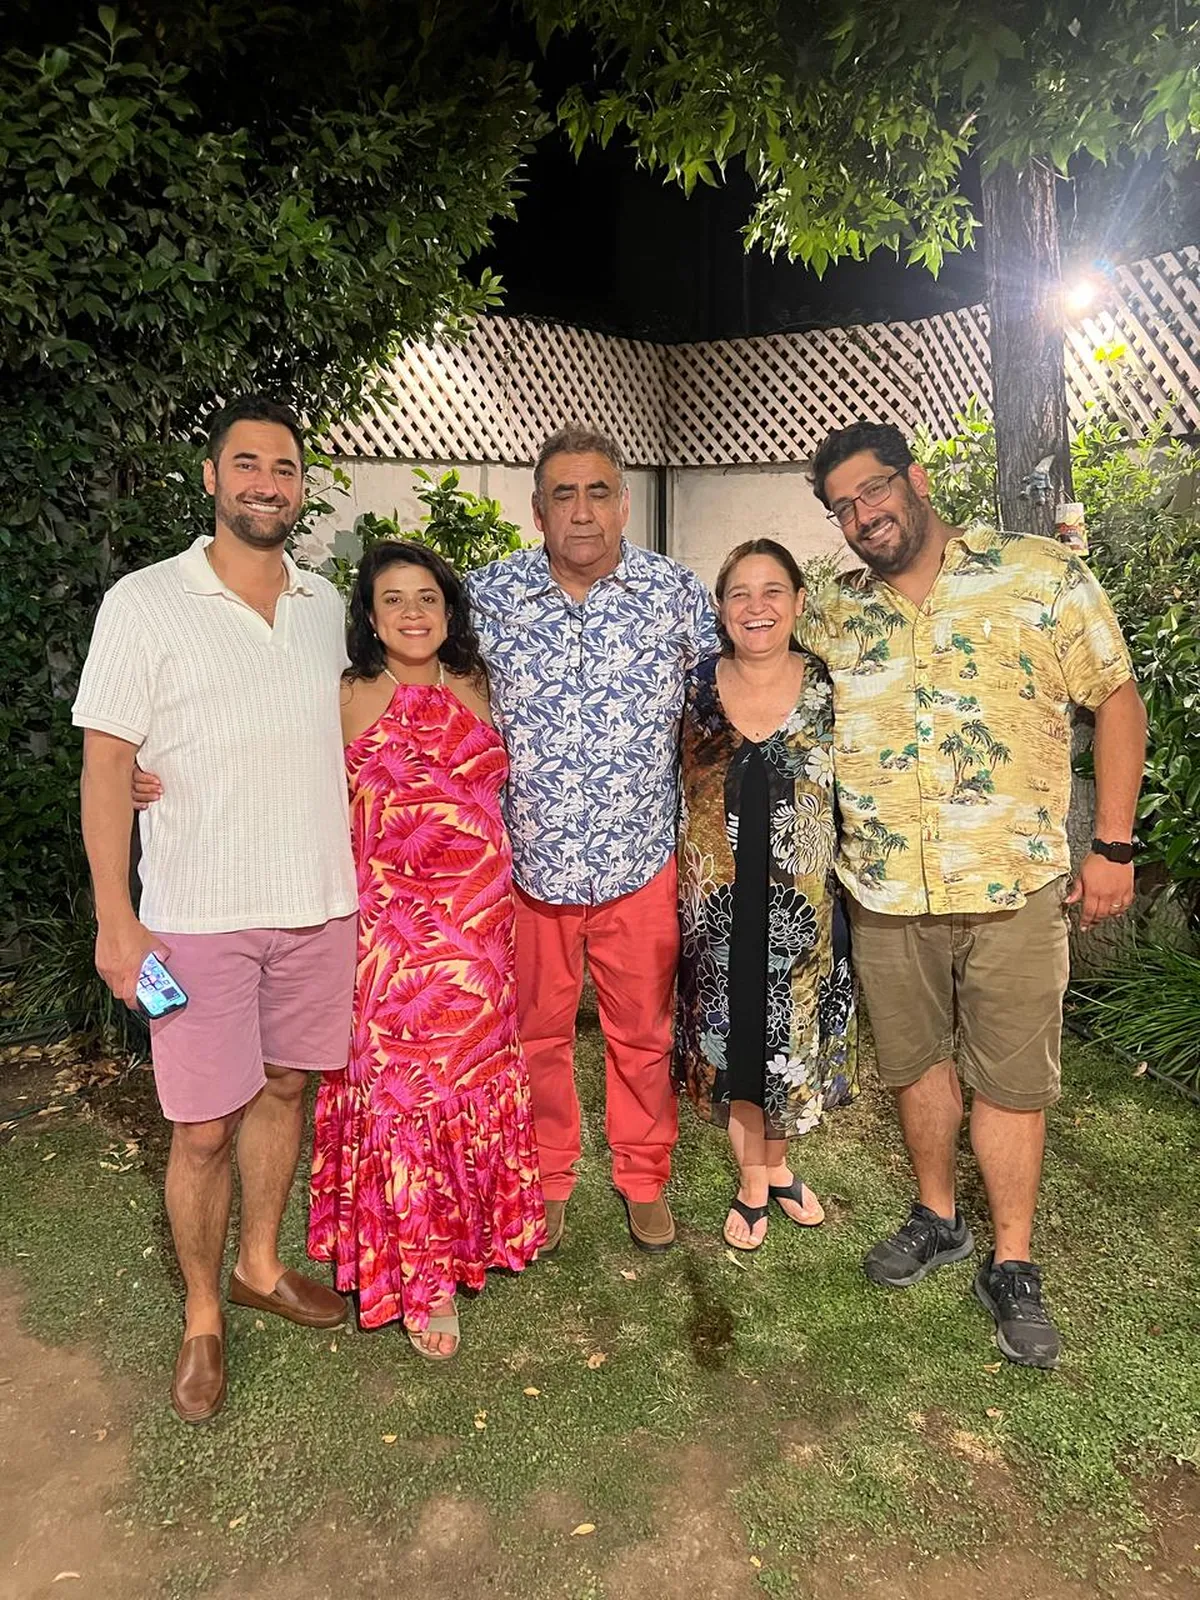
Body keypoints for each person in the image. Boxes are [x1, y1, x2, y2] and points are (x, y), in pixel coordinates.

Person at [805, 420, 1147, 1368]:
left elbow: (1115, 697)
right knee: (915, 1064)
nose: (862, 515)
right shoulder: (834, 608)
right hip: (883, 887)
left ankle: (1012, 1259)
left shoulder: (1038, 574)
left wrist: (1114, 842)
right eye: (842, 507)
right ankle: (938, 1215)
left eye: (873, 491)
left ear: (914, 478)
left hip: (1012, 883)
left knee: (1009, 1077)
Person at [73, 396, 357, 1424]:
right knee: (200, 1129)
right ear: (211, 477)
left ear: (300, 485)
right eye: (247, 464)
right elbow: (107, 762)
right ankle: (202, 1314)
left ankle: (262, 1264)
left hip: (322, 907)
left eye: (283, 467)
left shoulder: (328, 605)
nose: (266, 484)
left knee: (287, 1091)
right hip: (193, 916)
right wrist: (118, 918)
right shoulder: (145, 602)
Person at [466, 427, 720, 1254]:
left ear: (623, 502)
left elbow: (727, 700)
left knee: (642, 1036)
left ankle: (644, 1177)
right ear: (537, 510)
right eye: (563, 495)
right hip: (528, 866)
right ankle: (547, 1174)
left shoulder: (674, 596)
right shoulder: (485, 600)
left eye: (598, 492)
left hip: (637, 861)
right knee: (534, 1036)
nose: (582, 511)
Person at [307, 541, 545, 1359]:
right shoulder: (344, 696)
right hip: (391, 942)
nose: (413, 613)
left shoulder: (476, 686)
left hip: (481, 936)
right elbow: (267, 771)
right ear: (370, 619)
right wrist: (150, 775)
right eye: (394, 600)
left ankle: (475, 1239)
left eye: (427, 598)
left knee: (471, 1086)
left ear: (448, 611)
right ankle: (421, 1277)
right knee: (405, 1098)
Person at [675, 539, 857, 1250]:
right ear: (721, 609)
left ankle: (772, 1167)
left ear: (798, 602)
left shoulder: (827, 686)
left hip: (802, 910)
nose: (757, 607)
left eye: (772, 591)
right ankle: (755, 1179)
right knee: (734, 1040)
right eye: (740, 593)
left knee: (787, 1040)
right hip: (714, 909)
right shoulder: (693, 688)